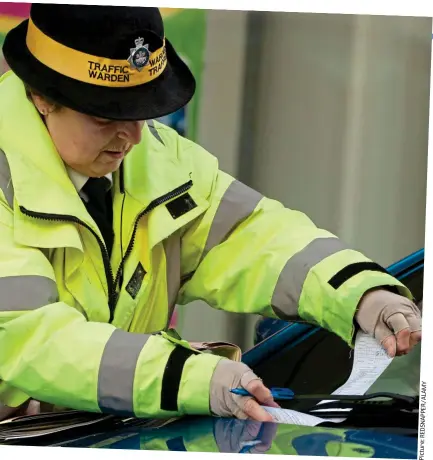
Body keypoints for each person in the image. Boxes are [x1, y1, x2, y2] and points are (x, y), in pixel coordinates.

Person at [0, 4, 422, 423]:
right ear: (41, 96)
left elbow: (253, 238)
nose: (133, 135)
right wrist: (190, 378)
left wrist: (362, 293)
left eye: (143, 110)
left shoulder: (160, 159)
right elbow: (30, 336)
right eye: (106, 114)